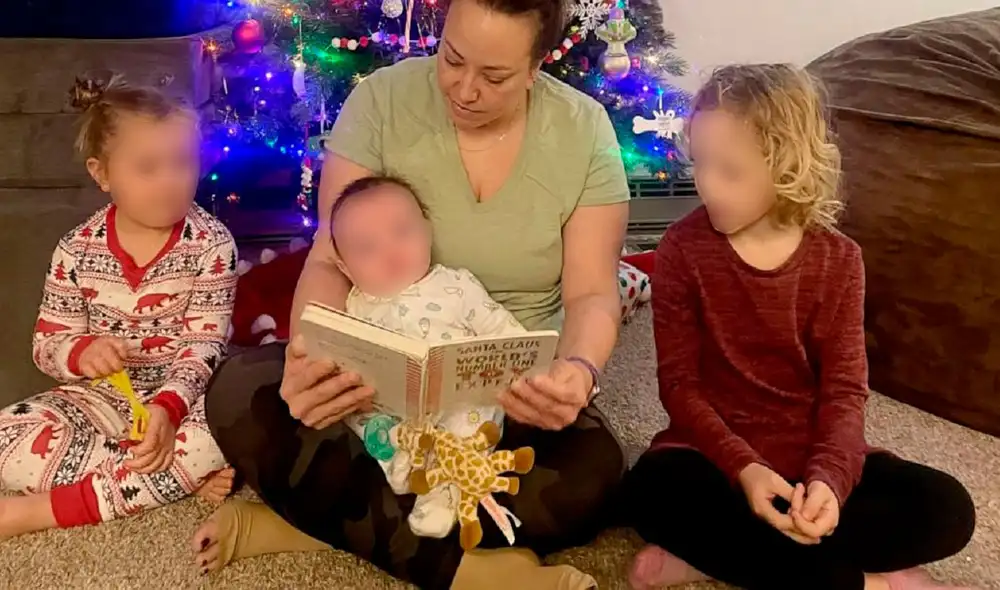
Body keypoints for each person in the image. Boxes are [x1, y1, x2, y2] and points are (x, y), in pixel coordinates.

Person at [190, 0, 630, 585]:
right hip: (373, 390)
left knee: (593, 475)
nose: (464, 89)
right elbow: (330, 256)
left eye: (494, 76)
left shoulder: (583, 129)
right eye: (452, 58)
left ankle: (308, 525)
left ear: (535, 66)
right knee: (238, 393)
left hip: (505, 400)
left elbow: (593, 294)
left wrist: (576, 370)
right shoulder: (381, 101)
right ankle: (465, 571)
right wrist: (309, 358)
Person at [623, 64, 977, 590]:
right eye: (699, 163)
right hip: (712, 457)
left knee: (949, 510)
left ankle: (725, 558)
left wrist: (830, 482)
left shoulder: (839, 260)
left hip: (811, 454)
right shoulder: (681, 248)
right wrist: (744, 468)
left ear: (786, 166)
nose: (705, 184)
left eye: (730, 171)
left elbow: (844, 391)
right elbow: (679, 385)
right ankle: (863, 581)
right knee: (645, 493)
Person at [0, 77, 238, 539]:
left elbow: (204, 345)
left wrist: (169, 410)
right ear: (102, 173)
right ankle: (163, 475)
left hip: (189, 399)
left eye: (183, 163)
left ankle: (42, 510)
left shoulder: (212, 244)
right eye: (147, 168)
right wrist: (81, 351)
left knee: (233, 429)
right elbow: (48, 344)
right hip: (104, 396)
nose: (169, 180)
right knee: (5, 439)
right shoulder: (76, 250)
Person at [319, 173, 536, 544]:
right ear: (345, 268)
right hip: (398, 408)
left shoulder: (455, 284)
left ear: (427, 231)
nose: (390, 253)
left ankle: (444, 488)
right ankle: (401, 465)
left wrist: (524, 358)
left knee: (469, 415)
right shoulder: (355, 305)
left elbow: (501, 328)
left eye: (403, 232)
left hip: (458, 396)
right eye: (367, 248)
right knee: (359, 418)